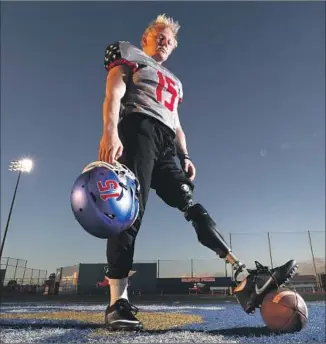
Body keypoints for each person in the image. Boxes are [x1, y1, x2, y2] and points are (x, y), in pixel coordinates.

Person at [98, 14, 298, 331]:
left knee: (192, 206)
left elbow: (176, 122)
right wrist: (110, 132)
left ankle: (245, 277)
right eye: (159, 35)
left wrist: (184, 154)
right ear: (147, 36)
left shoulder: (176, 82)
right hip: (138, 130)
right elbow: (115, 91)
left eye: (170, 39)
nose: (164, 41)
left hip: (165, 142)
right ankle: (116, 302)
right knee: (129, 211)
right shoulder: (130, 53)